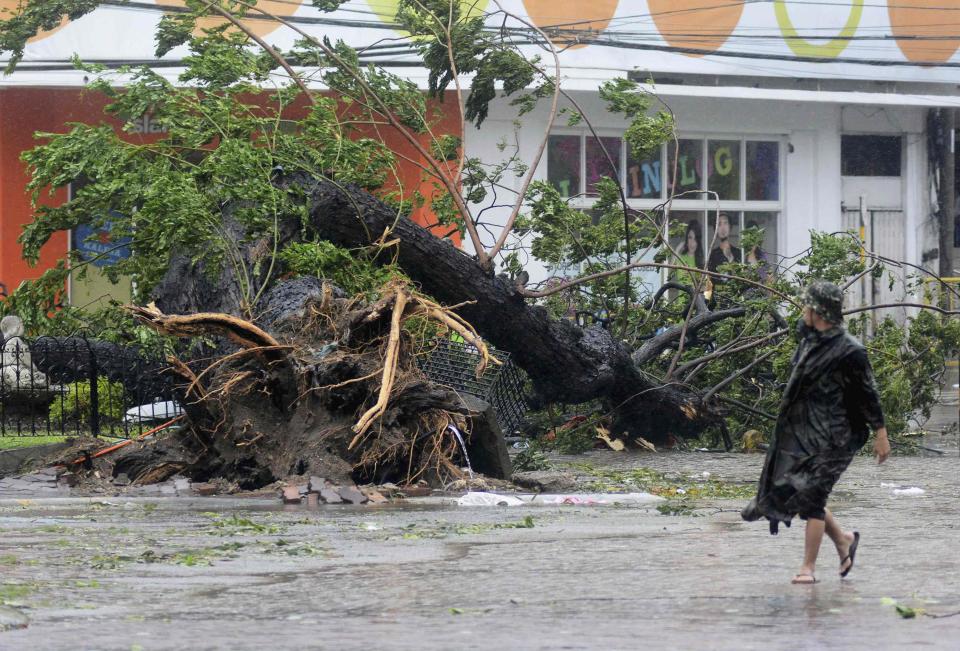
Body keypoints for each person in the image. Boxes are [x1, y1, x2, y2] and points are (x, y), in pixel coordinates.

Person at [741, 280, 891, 585]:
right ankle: (844, 541)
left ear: (819, 311)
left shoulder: (851, 351)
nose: (802, 310)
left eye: (807, 306)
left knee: (812, 496)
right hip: (805, 433)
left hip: (837, 436)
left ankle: (807, 568)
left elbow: (867, 393)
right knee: (804, 490)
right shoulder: (809, 339)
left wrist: (880, 432)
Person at [674, 220, 704, 287]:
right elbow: (668, 272)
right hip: (680, 297)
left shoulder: (700, 261)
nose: (692, 242)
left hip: (694, 297)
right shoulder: (680, 258)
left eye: (695, 238)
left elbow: (704, 287)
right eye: (690, 237)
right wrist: (677, 250)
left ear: (698, 241)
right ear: (686, 239)